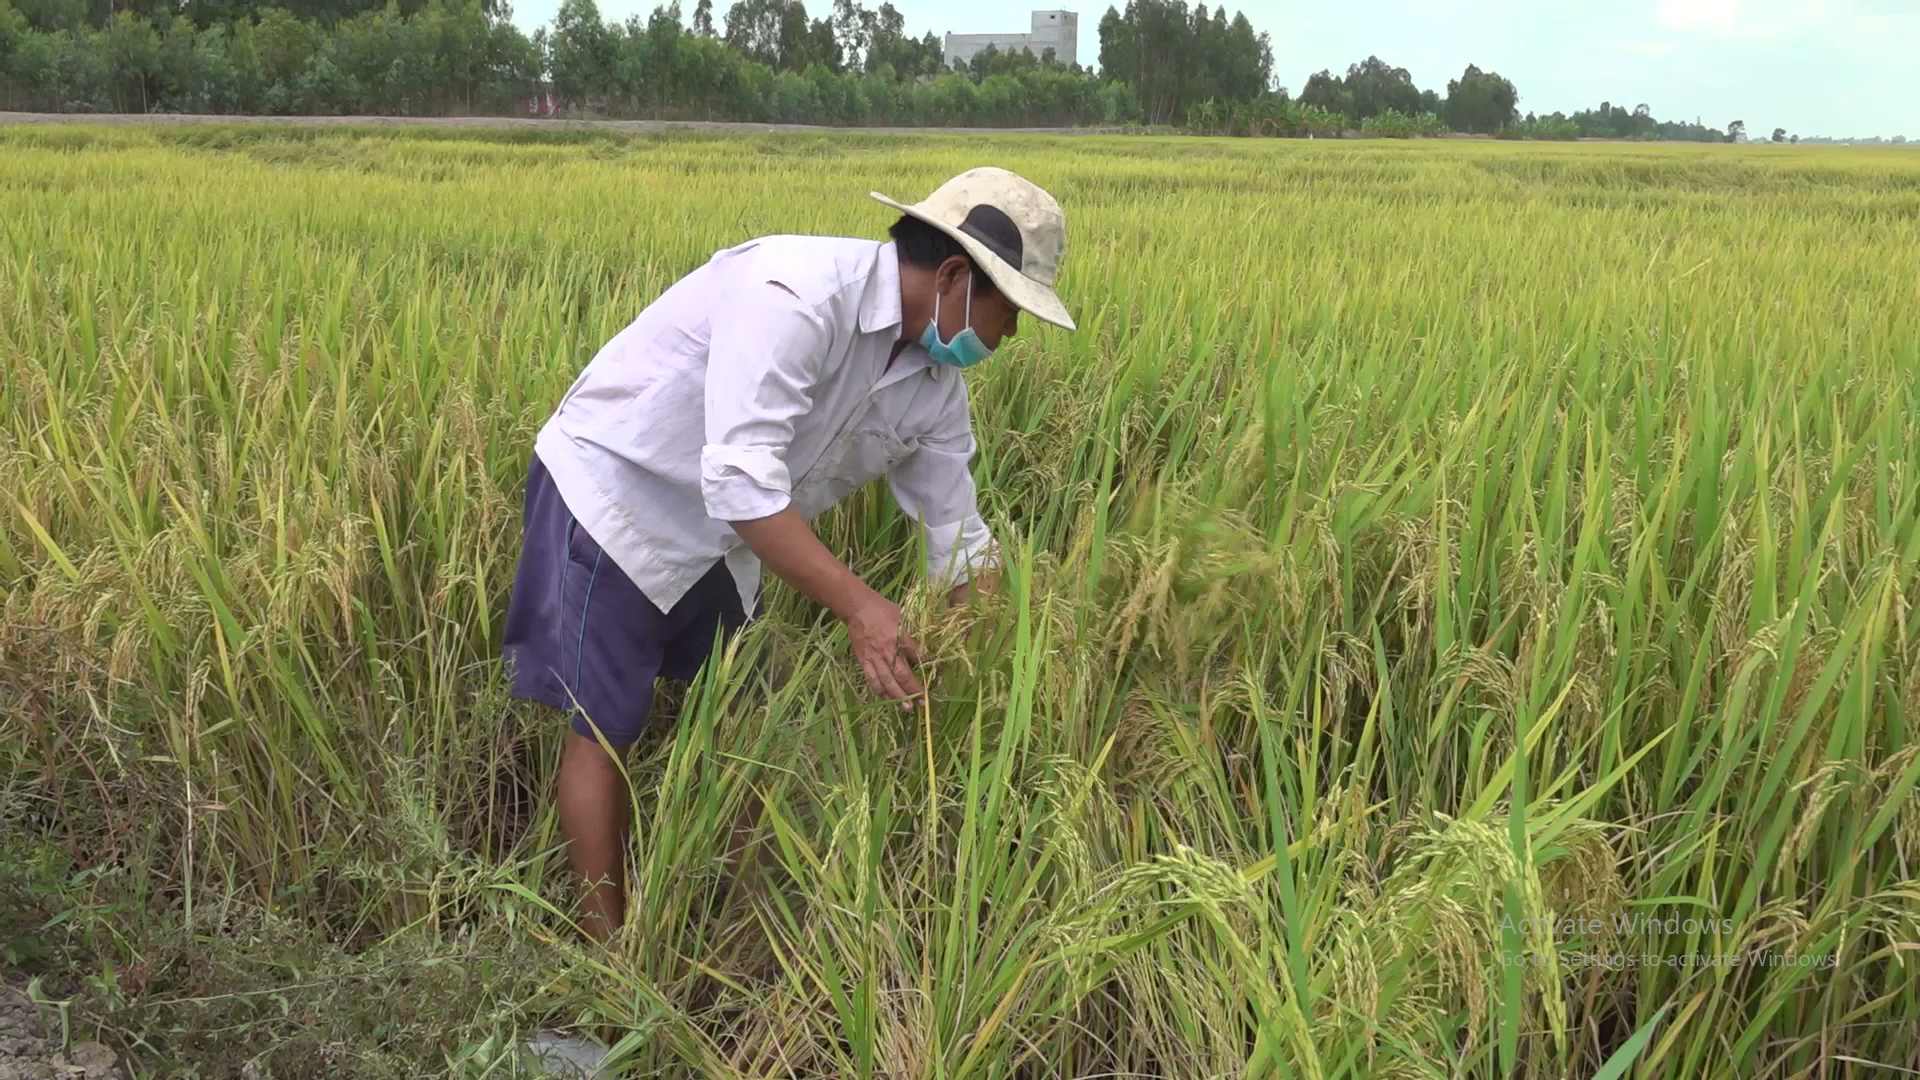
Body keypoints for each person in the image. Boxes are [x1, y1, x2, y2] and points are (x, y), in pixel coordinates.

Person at [500, 166, 1077, 950]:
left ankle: (717, 901)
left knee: (738, 712)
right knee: (606, 725)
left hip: (736, 537)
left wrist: (1001, 674)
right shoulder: (795, 295)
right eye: (1008, 312)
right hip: (623, 498)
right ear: (953, 276)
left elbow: (960, 541)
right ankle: (606, 964)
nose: (1007, 337)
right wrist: (862, 607)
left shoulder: (934, 387)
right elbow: (742, 483)